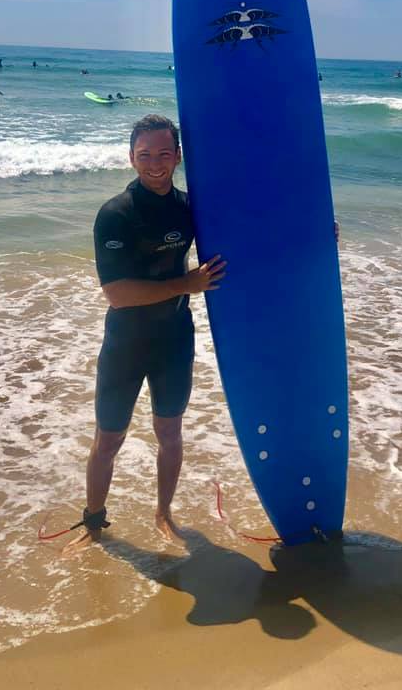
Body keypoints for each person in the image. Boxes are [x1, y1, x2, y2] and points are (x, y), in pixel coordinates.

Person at [68, 114, 227, 551]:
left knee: (170, 433)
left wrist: (313, 234)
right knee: (109, 438)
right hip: (126, 345)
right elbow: (117, 293)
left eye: (163, 154)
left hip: (174, 338)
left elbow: (247, 233)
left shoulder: (191, 207)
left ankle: (164, 513)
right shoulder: (116, 215)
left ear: (177, 156)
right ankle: (94, 521)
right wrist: (186, 284)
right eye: (144, 155)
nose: (154, 164)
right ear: (130, 158)